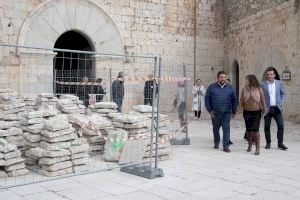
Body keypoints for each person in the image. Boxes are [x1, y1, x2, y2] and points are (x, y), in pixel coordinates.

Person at [205, 71, 238, 153]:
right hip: (215, 113)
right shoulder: (211, 87)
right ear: (218, 78)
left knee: (226, 129)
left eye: (224, 77)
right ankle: (216, 142)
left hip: (226, 113)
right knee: (215, 129)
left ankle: (225, 146)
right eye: (221, 77)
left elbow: (235, 100)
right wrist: (210, 110)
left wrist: (234, 111)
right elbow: (207, 99)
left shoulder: (230, 88)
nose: (223, 79)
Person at [239, 75, 267, 155]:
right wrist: (239, 111)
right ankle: (250, 144)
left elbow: (262, 99)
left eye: (246, 80)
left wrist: (265, 109)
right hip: (247, 112)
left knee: (255, 130)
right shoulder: (244, 89)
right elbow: (241, 101)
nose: (245, 81)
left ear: (251, 80)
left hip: (256, 112)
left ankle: (257, 148)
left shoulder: (259, 88)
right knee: (248, 130)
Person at [261, 67, 288, 150]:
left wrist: (281, 102)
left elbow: (284, 94)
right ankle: (268, 143)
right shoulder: (262, 84)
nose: (269, 76)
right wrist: (262, 107)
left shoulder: (279, 83)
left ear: (274, 75)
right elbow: (261, 96)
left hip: (277, 108)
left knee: (280, 125)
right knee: (267, 126)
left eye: (271, 74)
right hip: (267, 109)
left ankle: (280, 144)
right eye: (268, 74)